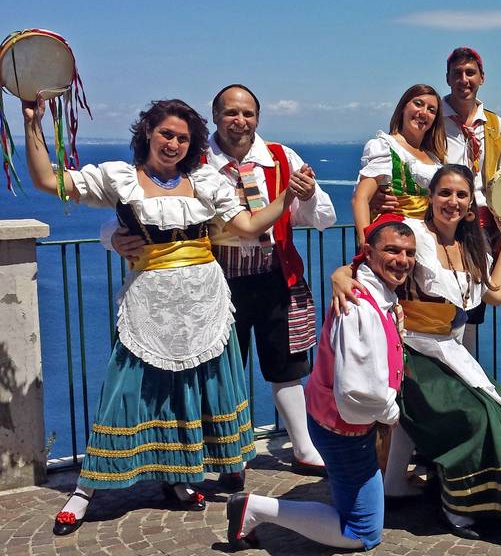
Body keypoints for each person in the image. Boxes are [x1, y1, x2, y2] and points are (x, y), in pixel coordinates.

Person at [22, 99, 300, 536]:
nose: (173, 143)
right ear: (148, 132)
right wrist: (33, 124)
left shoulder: (205, 180)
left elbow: (247, 227)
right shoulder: (119, 177)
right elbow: (47, 179)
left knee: (188, 389)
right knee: (126, 391)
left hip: (205, 300)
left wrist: (288, 197)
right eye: (166, 134)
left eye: (183, 137)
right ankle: (85, 491)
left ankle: (179, 476)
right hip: (149, 302)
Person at [108, 84, 335, 485]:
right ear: (215, 117)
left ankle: (303, 448)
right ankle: (230, 456)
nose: (240, 121)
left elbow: (322, 218)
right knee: (219, 372)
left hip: (274, 277)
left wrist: (310, 193)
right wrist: (110, 235)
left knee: (286, 366)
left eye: (247, 114)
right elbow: (140, 204)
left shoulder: (282, 158)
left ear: (258, 118)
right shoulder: (192, 162)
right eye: (231, 113)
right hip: (215, 285)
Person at [334, 165, 501, 541]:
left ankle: (487, 499)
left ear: (470, 205)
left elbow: (495, 294)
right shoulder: (413, 233)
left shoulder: (472, 243)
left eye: (461, 195)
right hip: (407, 348)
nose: (453, 201)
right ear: (431, 197)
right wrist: (340, 275)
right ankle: (459, 506)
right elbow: (366, 260)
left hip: (447, 348)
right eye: (445, 193)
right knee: (472, 415)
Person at [226, 215, 417, 551]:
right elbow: (356, 389)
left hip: (334, 421)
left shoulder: (371, 290)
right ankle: (255, 509)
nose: (402, 260)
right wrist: (391, 413)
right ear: (368, 252)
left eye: (408, 253)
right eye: (392, 250)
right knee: (363, 532)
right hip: (343, 430)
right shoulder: (359, 307)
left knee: (359, 501)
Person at [373, 48, 501, 356]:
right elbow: (410, 160)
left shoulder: (496, 127)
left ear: (481, 77)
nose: (464, 80)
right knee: (427, 299)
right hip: (435, 219)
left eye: (470, 73)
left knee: (471, 303)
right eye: (457, 73)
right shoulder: (435, 119)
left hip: (479, 224)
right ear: (448, 78)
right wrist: (382, 194)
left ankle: (464, 370)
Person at [352, 84, 446, 243]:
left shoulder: (435, 157)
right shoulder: (385, 147)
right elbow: (360, 198)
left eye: (431, 110)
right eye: (418, 104)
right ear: (403, 107)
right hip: (396, 240)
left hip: (432, 239)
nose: (423, 112)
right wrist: (365, 244)